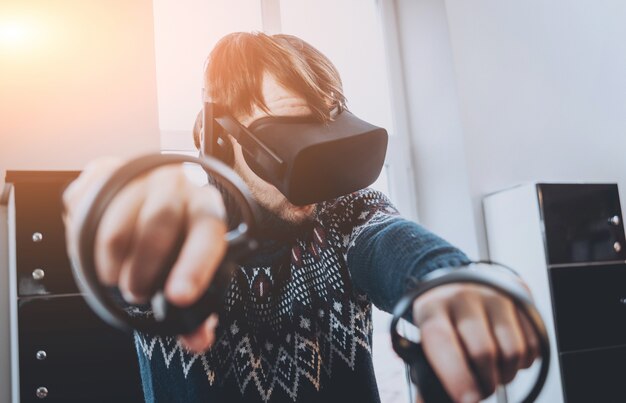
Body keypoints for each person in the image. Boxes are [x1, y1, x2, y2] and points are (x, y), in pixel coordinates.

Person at [63, 32, 539, 403]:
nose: (313, 173)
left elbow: (387, 238)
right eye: (289, 139)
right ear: (218, 140)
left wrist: (447, 279)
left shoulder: (344, 212)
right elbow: (134, 270)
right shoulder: (186, 237)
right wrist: (110, 208)